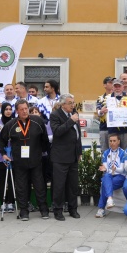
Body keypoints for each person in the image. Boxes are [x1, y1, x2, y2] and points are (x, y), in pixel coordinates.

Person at [0, 100, 50, 220]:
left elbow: (45, 139)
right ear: (17, 111)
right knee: (21, 186)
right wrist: (3, 154)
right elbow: (2, 140)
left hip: (36, 160)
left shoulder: (37, 121)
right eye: (21, 109)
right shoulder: (11, 125)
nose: (24, 111)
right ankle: (24, 211)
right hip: (19, 161)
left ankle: (43, 209)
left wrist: (43, 152)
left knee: (39, 185)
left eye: (26, 108)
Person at [49, 93, 82, 221]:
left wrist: (79, 151)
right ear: (63, 104)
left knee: (73, 185)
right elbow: (57, 132)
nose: (73, 105)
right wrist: (70, 121)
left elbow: (77, 134)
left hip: (73, 155)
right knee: (59, 185)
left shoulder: (74, 114)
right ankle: (58, 210)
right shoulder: (55, 115)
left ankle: (73, 209)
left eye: (73, 102)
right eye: (70, 103)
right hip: (60, 156)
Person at [95, 134, 127, 218]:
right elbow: (106, 168)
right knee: (106, 177)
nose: (112, 143)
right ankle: (110, 199)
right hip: (109, 176)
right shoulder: (106, 153)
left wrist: (113, 169)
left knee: (104, 184)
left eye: (114, 141)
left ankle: (101, 209)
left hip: (120, 177)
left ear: (118, 142)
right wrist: (106, 169)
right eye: (110, 141)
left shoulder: (123, 153)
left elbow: (121, 170)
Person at [105, 78, 127, 149]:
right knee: (113, 151)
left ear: (123, 87)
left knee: (126, 151)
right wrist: (101, 112)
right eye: (115, 86)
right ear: (112, 87)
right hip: (112, 130)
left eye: (119, 86)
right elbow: (99, 112)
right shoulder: (107, 99)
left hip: (125, 130)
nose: (117, 88)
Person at [96, 76, 114, 152]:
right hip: (104, 127)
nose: (112, 84)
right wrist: (101, 111)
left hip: (114, 128)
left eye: (113, 83)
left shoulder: (118, 97)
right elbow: (98, 111)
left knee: (114, 149)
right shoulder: (101, 98)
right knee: (104, 150)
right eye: (110, 82)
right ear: (104, 85)